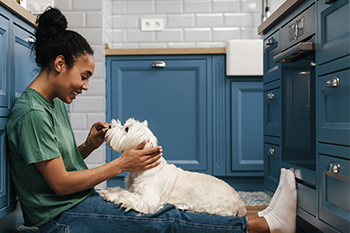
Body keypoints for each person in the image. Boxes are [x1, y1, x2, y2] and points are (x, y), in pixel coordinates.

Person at [6, 7, 297, 233]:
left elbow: (54, 164)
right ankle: (263, 226)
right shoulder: (33, 113)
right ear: (59, 64)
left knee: (164, 207)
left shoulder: (53, 102)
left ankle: (259, 215)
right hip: (61, 218)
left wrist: (87, 147)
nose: (85, 86)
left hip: (76, 202)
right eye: (84, 77)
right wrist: (121, 164)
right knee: (163, 221)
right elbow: (60, 184)